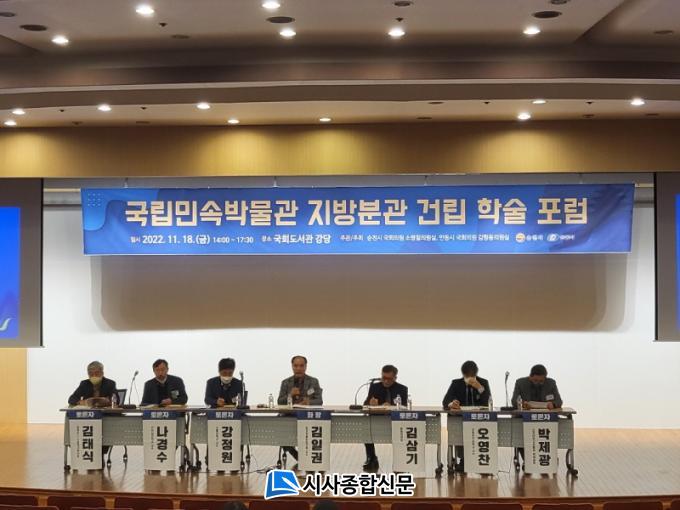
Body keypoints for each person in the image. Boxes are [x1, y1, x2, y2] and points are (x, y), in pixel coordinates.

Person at [442, 360, 491, 472]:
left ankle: (483, 460)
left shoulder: (483, 382)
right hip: (461, 419)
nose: (470, 378)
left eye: (472, 376)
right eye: (467, 376)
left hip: (479, 419)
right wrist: (451, 404)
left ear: (476, 374)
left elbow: (488, 402)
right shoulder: (456, 383)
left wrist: (480, 388)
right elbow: (445, 401)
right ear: (463, 374)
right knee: (460, 431)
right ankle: (463, 460)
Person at [277, 355, 323, 463]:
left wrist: (309, 402)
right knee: (278, 425)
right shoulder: (286, 382)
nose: (298, 368)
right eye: (296, 366)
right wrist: (290, 394)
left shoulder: (313, 381)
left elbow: (319, 400)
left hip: (307, 416)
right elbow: (280, 401)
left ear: (306, 366)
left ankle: (310, 455)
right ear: (292, 366)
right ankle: (295, 453)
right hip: (289, 416)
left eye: (301, 366)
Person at [363, 364, 408, 472]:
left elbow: (405, 407)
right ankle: (371, 457)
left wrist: (391, 406)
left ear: (395, 378)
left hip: (394, 421)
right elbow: (365, 404)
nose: (386, 381)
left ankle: (400, 460)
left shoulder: (402, 389)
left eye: (389, 379)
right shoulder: (374, 387)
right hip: (376, 419)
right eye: (384, 378)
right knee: (365, 427)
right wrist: (370, 403)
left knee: (402, 431)